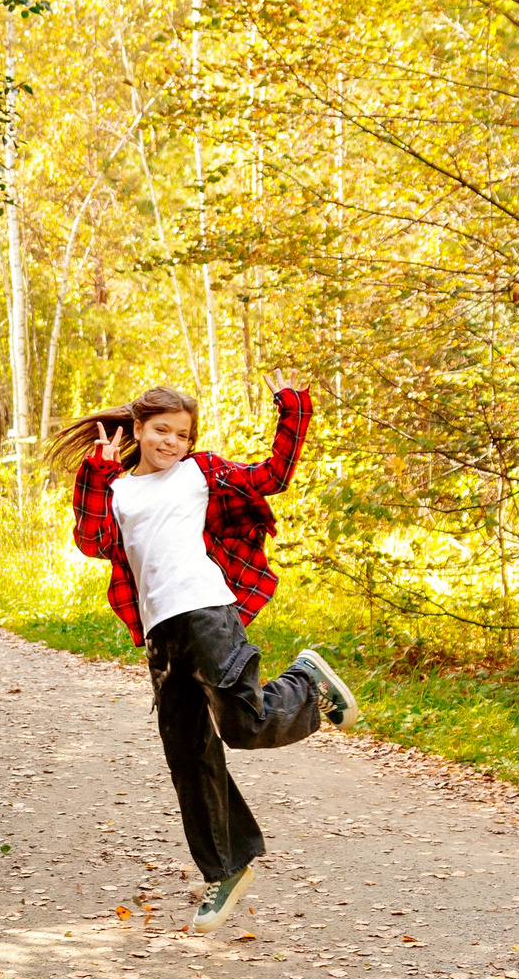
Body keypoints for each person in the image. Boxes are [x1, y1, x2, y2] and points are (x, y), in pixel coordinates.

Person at [52, 382, 358, 936]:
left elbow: (274, 476)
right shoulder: (117, 489)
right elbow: (92, 540)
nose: (172, 442)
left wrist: (291, 408)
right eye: (162, 430)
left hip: (207, 612)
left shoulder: (201, 473)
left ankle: (306, 683)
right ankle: (227, 866)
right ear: (138, 430)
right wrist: (96, 472)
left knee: (243, 726)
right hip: (159, 633)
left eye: (182, 433)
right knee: (189, 755)